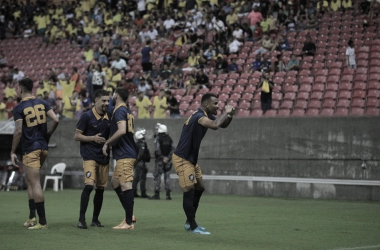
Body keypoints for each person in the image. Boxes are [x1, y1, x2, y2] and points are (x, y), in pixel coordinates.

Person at [172, 93, 236, 235]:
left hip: (191, 159)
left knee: (200, 188)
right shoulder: (199, 117)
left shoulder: (205, 114)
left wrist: (229, 116)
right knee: (188, 190)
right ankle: (192, 226)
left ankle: (190, 222)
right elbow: (215, 125)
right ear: (207, 105)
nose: (218, 105)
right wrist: (226, 112)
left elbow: (222, 125)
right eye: (215, 103)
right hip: (182, 158)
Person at [11, 78, 59, 229]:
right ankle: (32, 217)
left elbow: (19, 131)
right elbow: (56, 120)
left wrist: (12, 151)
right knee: (29, 180)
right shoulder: (43, 103)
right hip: (43, 147)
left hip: (30, 148)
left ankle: (42, 222)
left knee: (35, 182)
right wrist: (48, 135)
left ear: (20, 89)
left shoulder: (19, 108)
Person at [74, 89, 110, 229]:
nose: (107, 103)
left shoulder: (109, 117)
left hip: (104, 157)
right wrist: (93, 138)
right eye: (104, 101)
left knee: (100, 189)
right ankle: (81, 219)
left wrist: (107, 145)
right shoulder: (87, 116)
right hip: (89, 156)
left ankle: (95, 219)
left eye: (108, 100)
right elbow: (77, 136)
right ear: (96, 101)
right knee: (89, 186)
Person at [102, 87, 137, 230]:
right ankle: (130, 215)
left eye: (112, 95)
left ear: (116, 96)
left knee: (126, 186)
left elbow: (122, 130)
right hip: (124, 153)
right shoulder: (126, 110)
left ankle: (128, 222)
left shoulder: (120, 111)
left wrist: (107, 142)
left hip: (125, 154)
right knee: (115, 182)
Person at [149, 123, 175, 200]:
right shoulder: (169, 138)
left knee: (157, 176)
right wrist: (168, 157)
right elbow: (173, 149)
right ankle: (168, 195)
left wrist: (162, 157)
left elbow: (157, 149)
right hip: (168, 161)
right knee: (167, 177)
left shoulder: (158, 138)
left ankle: (157, 194)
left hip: (160, 161)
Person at [132, 129, 150, 198]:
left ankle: (134, 192)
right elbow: (141, 153)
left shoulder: (136, 143)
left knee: (136, 178)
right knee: (142, 178)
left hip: (137, 163)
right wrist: (138, 160)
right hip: (141, 163)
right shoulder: (142, 144)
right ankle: (143, 193)